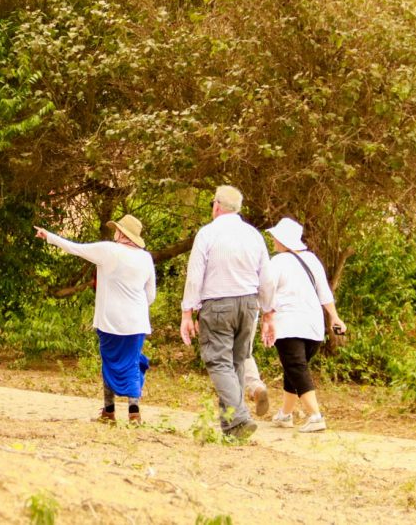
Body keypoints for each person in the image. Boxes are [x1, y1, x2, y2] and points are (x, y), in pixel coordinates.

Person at [35, 214, 157, 424]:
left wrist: (48, 236)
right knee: (131, 362)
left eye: (117, 230)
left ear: (121, 233)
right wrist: (134, 309)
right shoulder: (146, 258)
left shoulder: (109, 250)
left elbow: (75, 248)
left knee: (110, 362)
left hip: (110, 320)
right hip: (136, 323)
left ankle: (109, 411)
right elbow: (150, 295)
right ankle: (134, 412)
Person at [179, 185, 275, 440]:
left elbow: (195, 276)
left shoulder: (207, 233)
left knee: (218, 361)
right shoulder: (253, 235)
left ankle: (240, 417)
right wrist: (268, 314)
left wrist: (187, 313)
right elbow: (266, 278)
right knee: (237, 362)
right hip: (248, 304)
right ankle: (232, 429)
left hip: (218, 304)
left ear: (217, 206)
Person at [262, 217, 346, 432]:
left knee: (296, 368)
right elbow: (324, 292)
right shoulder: (312, 259)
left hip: (288, 324)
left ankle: (315, 416)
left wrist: (265, 317)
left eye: (275, 237)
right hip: (313, 326)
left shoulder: (278, 261)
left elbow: (266, 291)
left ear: (282, 239)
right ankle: (285, 415)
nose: (272, 240)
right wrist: (334, 317)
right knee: (295, 369)